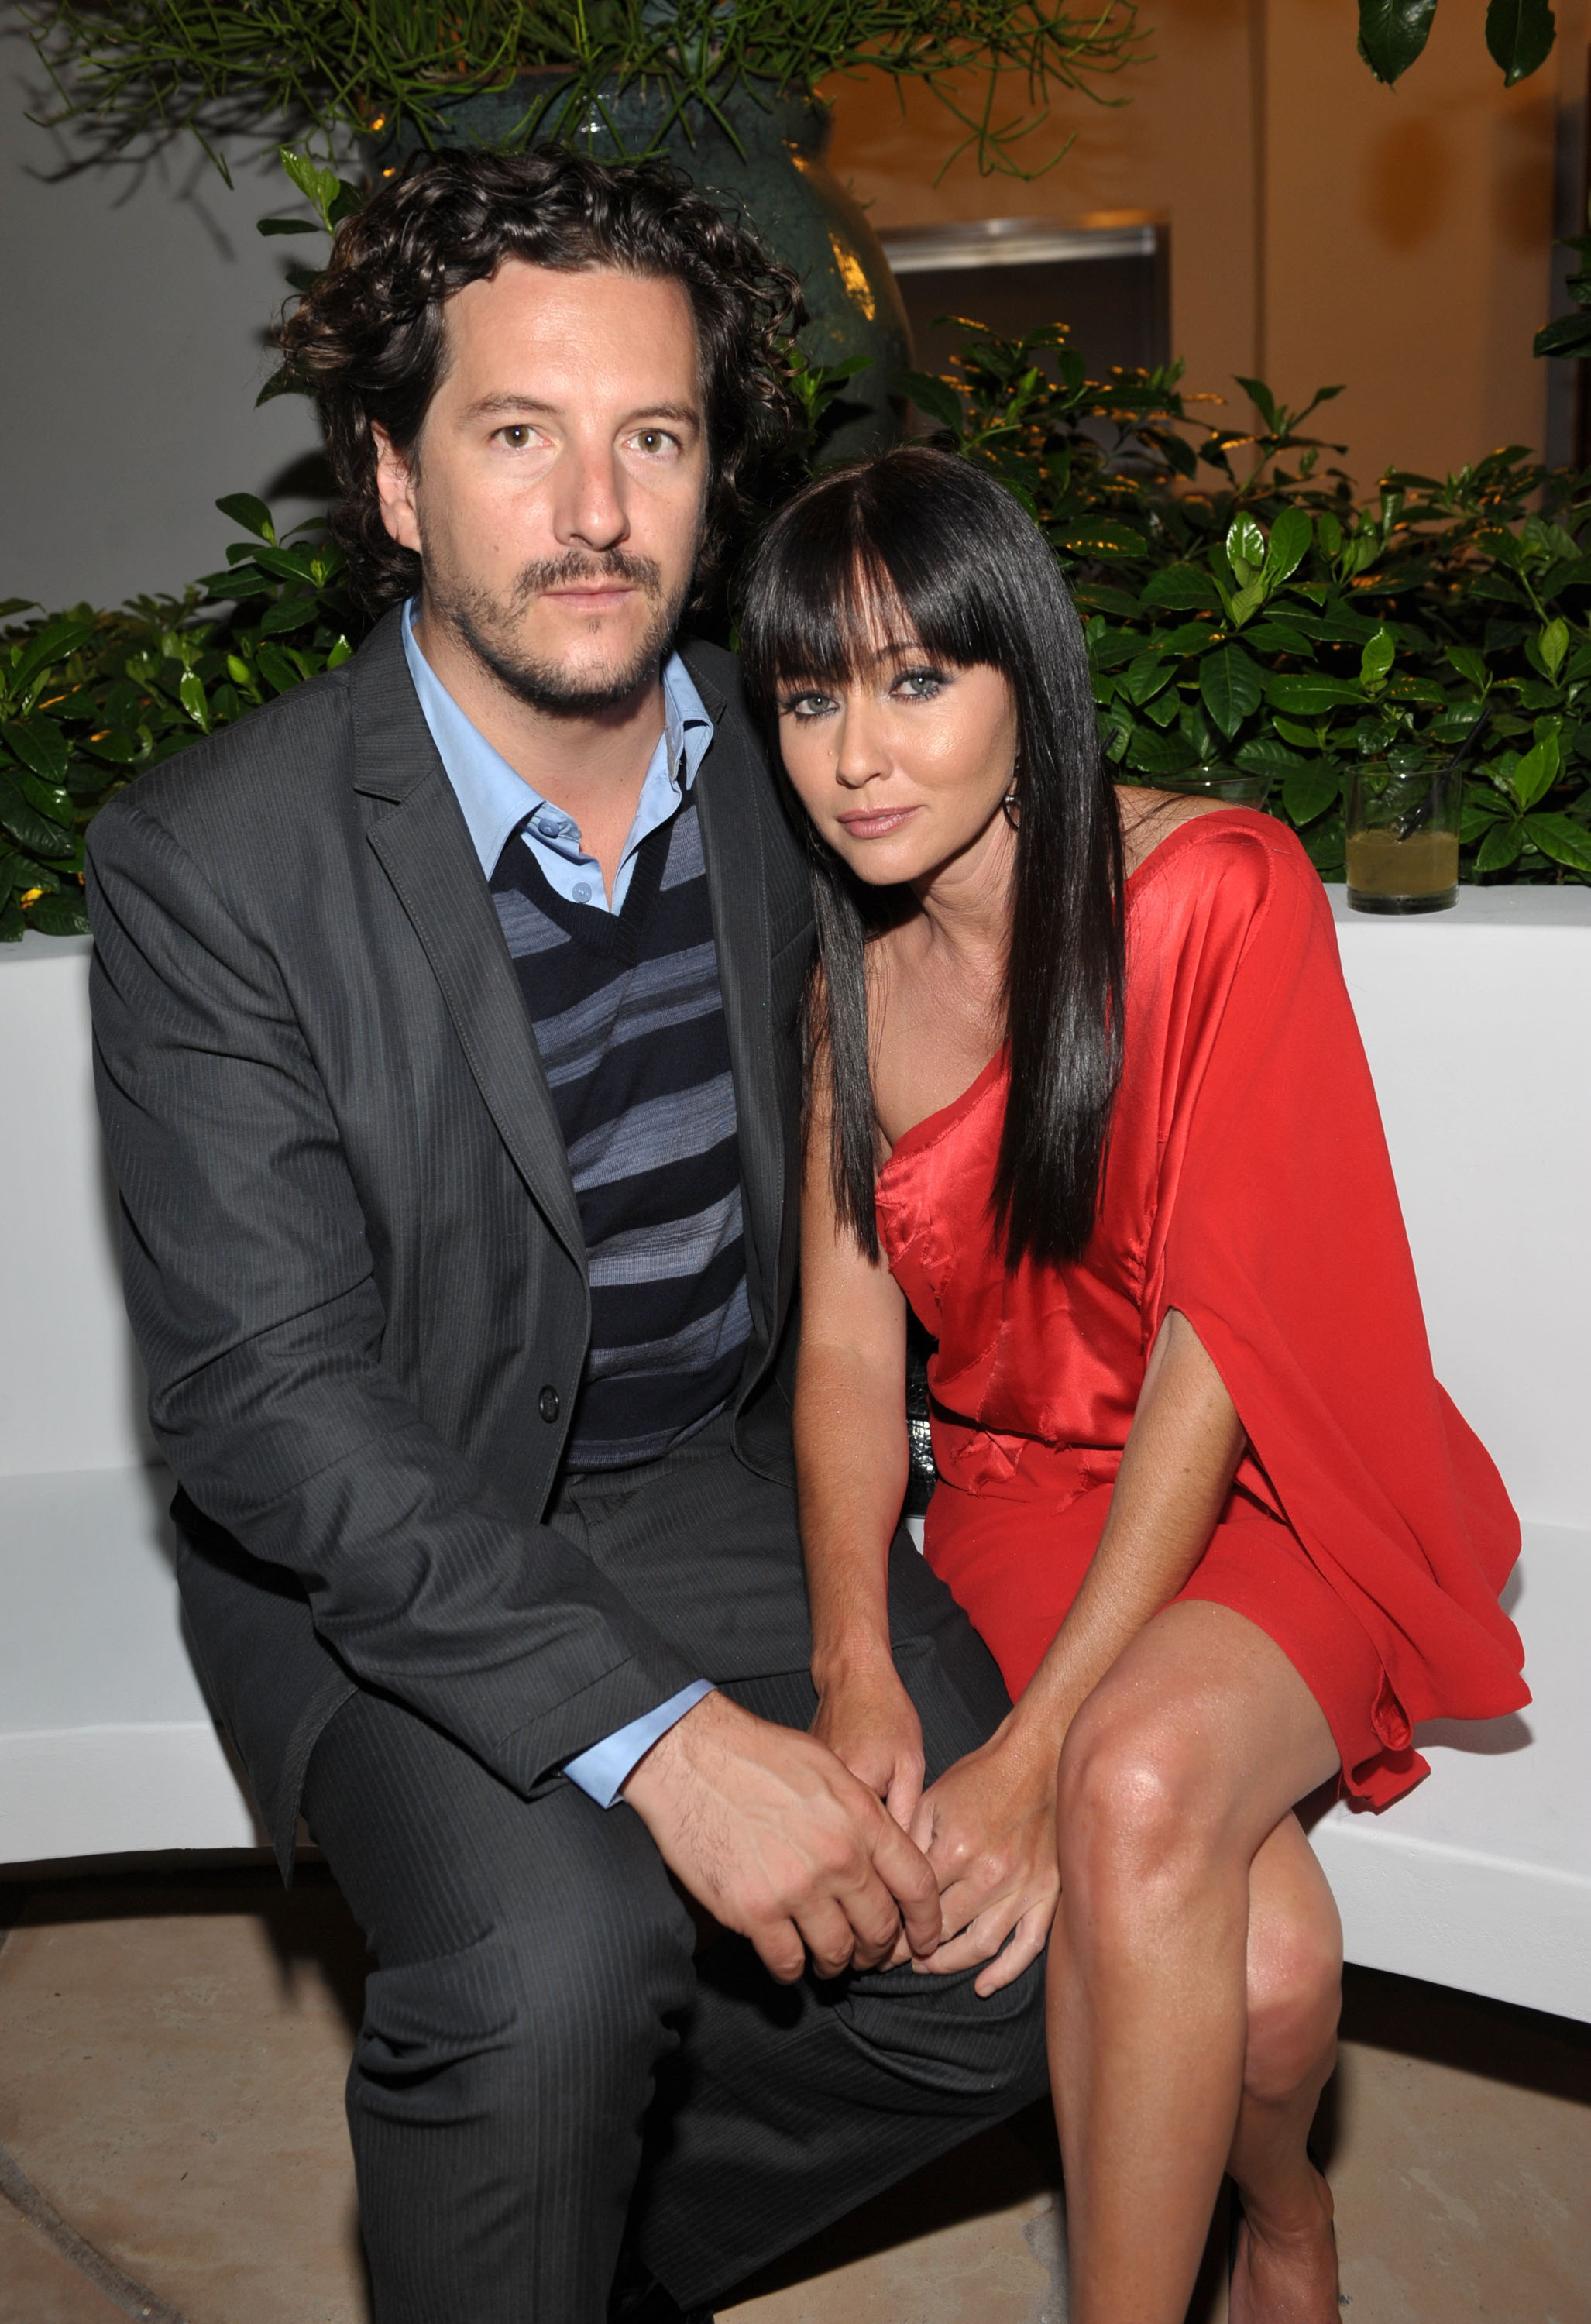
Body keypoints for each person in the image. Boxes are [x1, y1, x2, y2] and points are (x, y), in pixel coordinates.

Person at [85, 158, 1050, 2323]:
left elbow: (1021, 819)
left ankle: (547, 2254)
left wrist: (826, 1641)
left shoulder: (791, 764)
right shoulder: (212, 862)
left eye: (655, 437)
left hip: (697, 1472)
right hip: (392, 1526)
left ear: (715, 473)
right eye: (517, 434)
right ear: (396, 483)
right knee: (551, 1966)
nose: (594, 508)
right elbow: (268, 1412)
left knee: (992, 1941)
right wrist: (673, 1748)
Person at [739, 445, 1529, 2324]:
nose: (858, 751)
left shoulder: (1210, 890)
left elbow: (1218, 1350)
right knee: (1257, 1991)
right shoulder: (848, 980)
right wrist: (858, 1662)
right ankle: (1283, 2219)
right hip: (1025, 1493)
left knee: (1138, 1780)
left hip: (1283, 1467)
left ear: (1028, 675)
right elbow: (853, 1356)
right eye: (807, 695)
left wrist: (1029, 1752)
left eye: (919, 680)